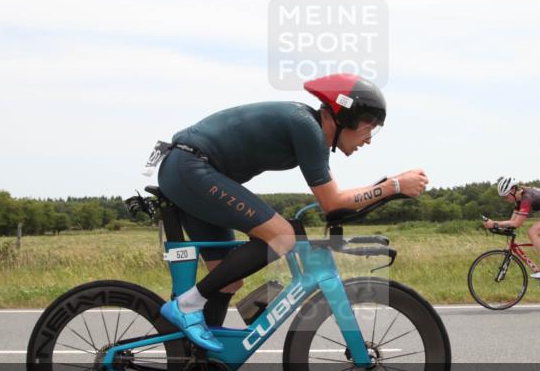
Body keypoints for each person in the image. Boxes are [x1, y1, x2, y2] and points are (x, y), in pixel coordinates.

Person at [155, 73, 429, 351]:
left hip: (189, 171)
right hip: (191, 168)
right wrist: (394, 186)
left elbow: (336, 203)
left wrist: (387, 188)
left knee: (228, 282)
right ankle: (187, 305)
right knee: (283, 237)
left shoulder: (309, 130)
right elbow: (332, 202)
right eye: (368, 126)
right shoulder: (307, 127)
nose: (368, 139)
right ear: (346, 116)